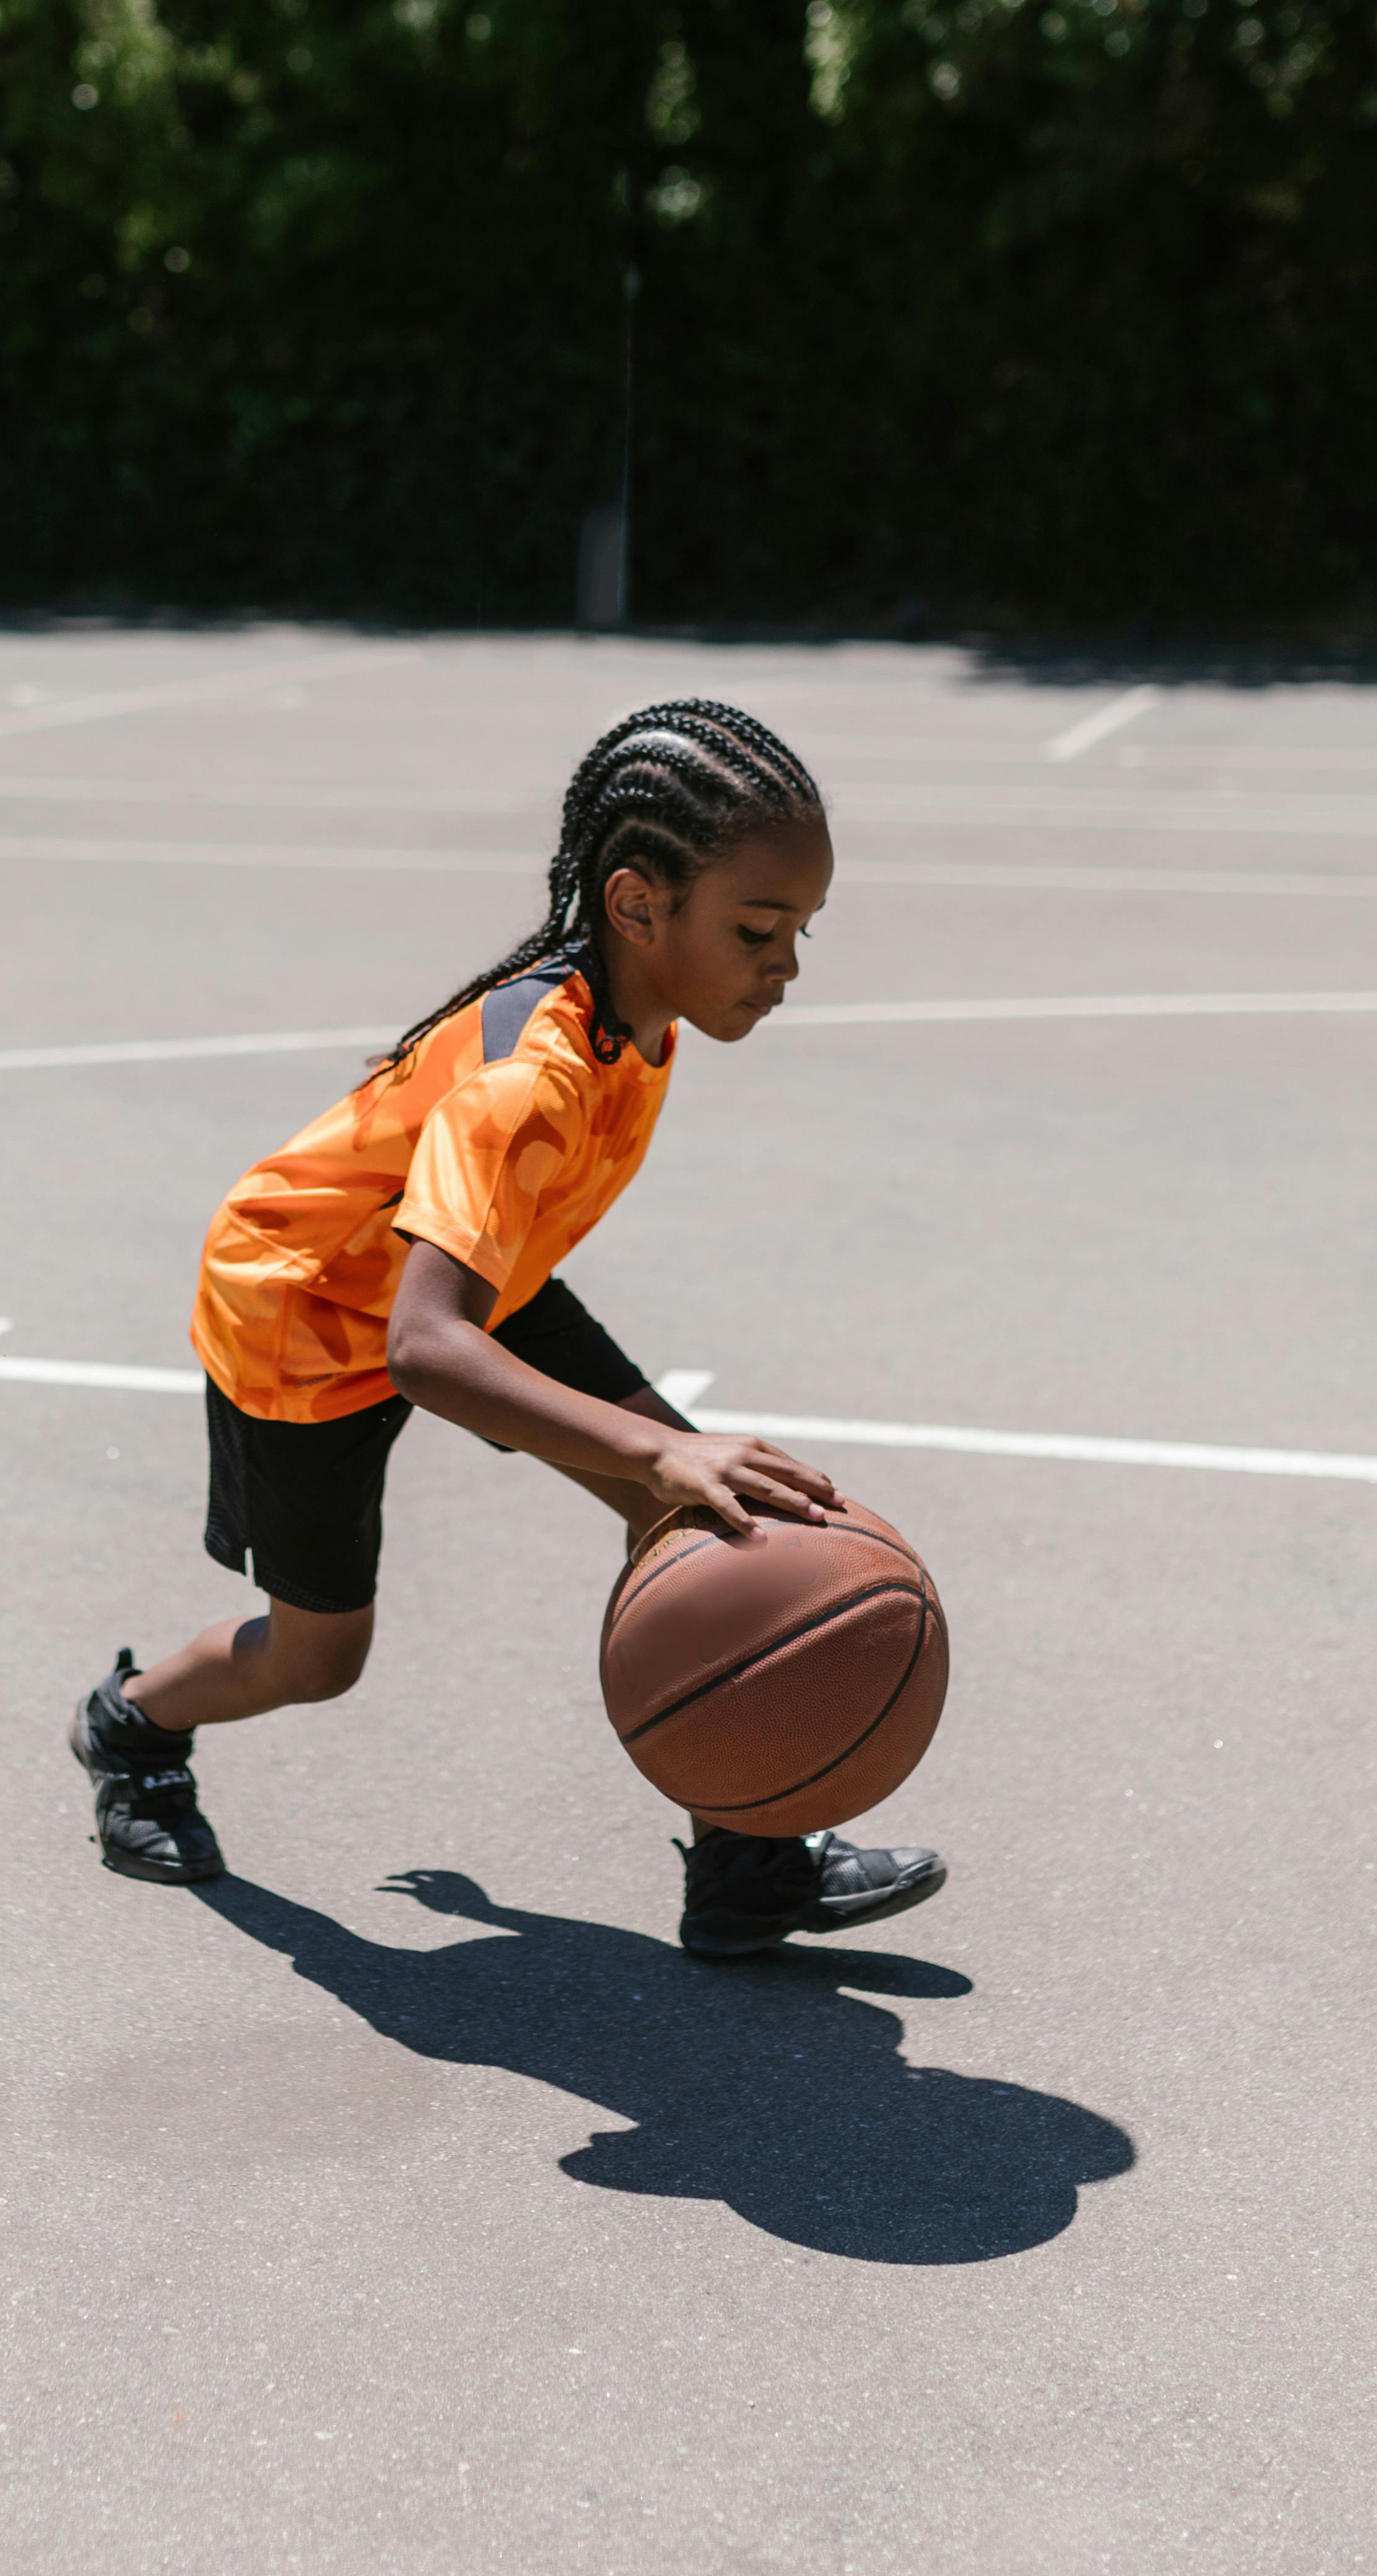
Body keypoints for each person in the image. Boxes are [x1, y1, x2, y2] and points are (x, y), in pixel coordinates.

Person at [72, 697, 947, 1960]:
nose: (788, 965)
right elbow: (424, 1349)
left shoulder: (637, 1013)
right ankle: (136, 1726)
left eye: (801, 929)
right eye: (759, 929)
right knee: (322, 1659)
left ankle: (748, 1866)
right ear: (640, 905)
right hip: (307, 1312)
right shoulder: (529, 1080)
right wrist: (651, 1449)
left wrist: (662, 1469)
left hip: (470, 1273)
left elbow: (463, 1301)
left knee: (712, 1513)